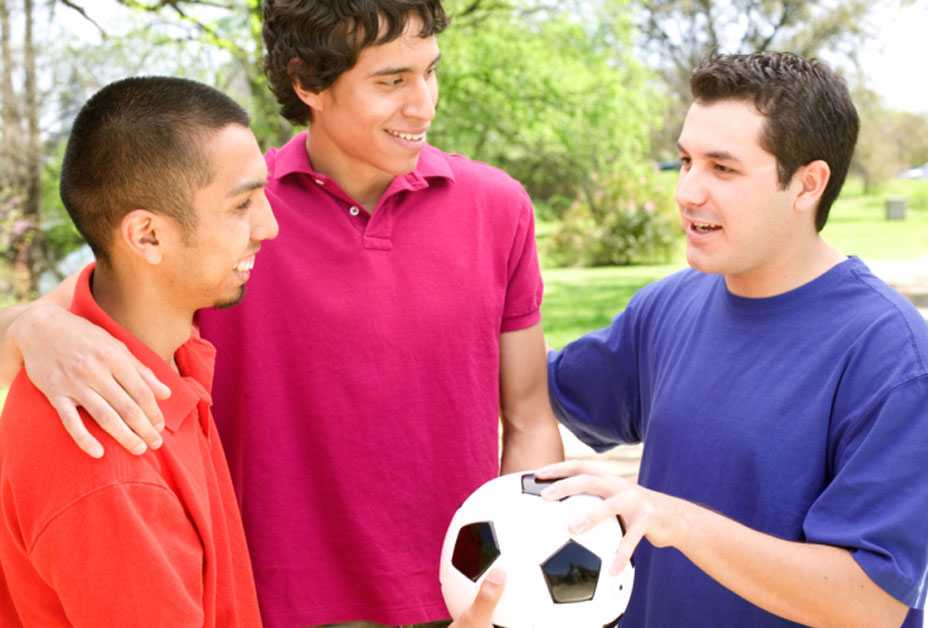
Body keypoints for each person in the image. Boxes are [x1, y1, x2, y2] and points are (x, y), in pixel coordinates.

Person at [0, 1, 563, 626]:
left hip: (462, 598)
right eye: (391, 81)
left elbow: (530, 416)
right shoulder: (224, 218)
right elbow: (59, 324)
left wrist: (527, 572)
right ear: (307, 82)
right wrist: (32, 324)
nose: (424, 104)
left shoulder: (498, 208)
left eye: (429, 71)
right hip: (269, 605)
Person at [537, 52, 928, 627]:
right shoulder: (669, 305)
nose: (688, 191)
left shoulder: (891, 355)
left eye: (722, 168)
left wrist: (675, 521)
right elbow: (533, 385)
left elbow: (871, 603)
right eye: (685, 160)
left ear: (806, 185)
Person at [0, 76, 278, 626]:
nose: (268, 226)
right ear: (147, 236)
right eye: (242, 204)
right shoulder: (112, 466)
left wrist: (31, 321)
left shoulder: (165, 355)